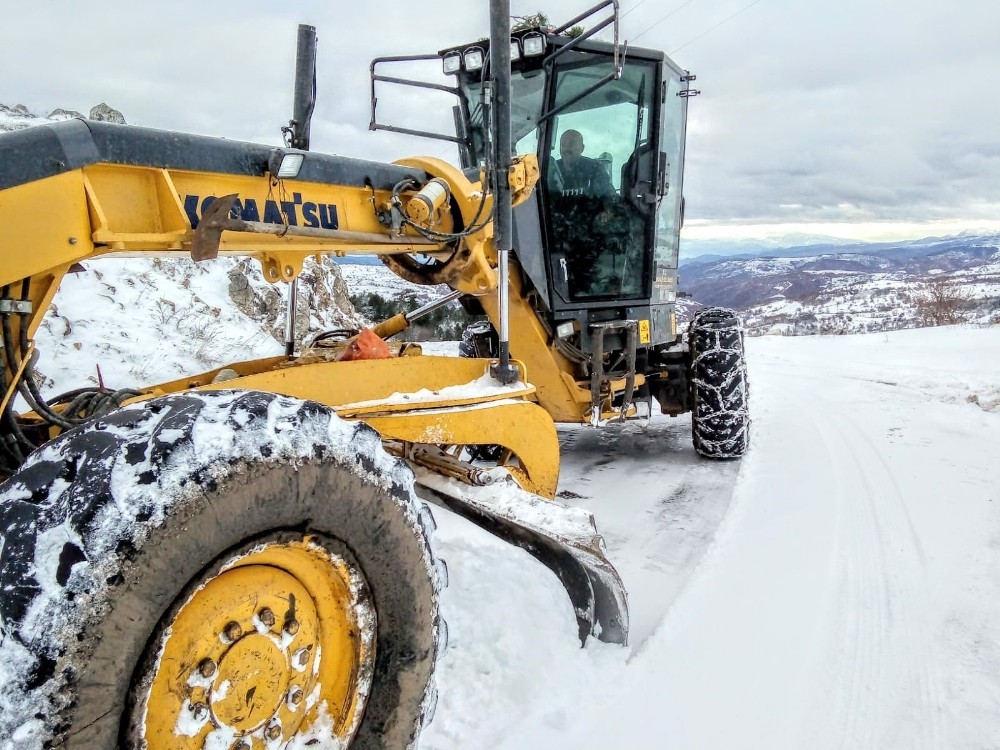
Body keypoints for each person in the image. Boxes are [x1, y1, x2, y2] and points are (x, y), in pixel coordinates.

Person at [549, 129, 615, 197]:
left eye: (571, 144)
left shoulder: (595, 168)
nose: (566, 149)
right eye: (563, 144)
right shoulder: (551, 170)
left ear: (582, 148)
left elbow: (609, 198)